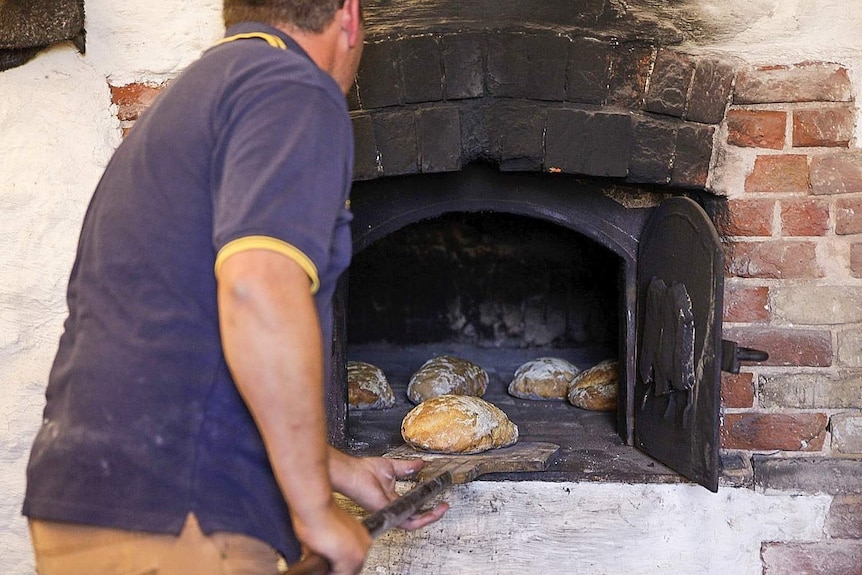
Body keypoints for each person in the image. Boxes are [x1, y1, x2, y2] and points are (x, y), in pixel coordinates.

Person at [21, 1, 447, 574]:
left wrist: (332, 469)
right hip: (182, 511)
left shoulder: (195, 96)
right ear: (348, 16)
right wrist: (315, 508)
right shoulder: (292, 88)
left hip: (89, 501)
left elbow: (187, 339)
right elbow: (258, 291)